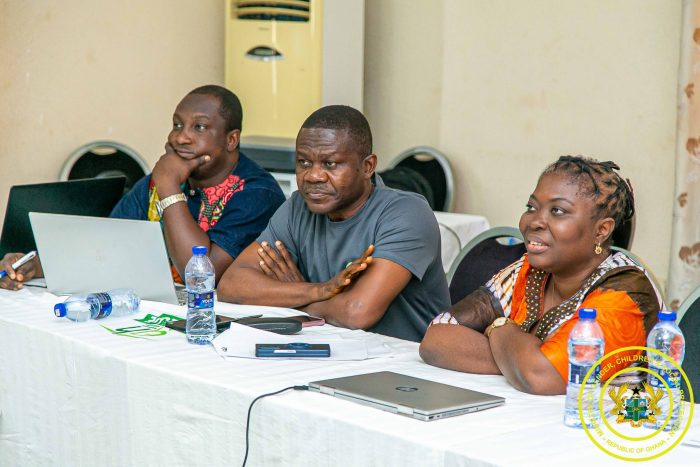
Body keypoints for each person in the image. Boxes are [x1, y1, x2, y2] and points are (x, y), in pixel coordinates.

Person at [0, 85, 285, 289]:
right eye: (177, 125)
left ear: (231, 140)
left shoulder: (256, 193)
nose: (181, 138)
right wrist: (36, 264)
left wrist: (169, 187)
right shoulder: (156, 181)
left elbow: (200, 278)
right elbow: (106, 247)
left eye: (199, 127)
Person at [420, 156, 663, 395]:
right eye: (531, 207)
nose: (534, 222)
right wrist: (520, 363)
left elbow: (542, 376)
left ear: (601, 230)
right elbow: (436, 339)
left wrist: (498, 327)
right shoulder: (529, 270)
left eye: (557, 211)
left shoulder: (626, 292)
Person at [217, 105, 450, 342]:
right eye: (304, 162)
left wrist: (293, 300)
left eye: (330, 164)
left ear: (368, 167)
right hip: (328, 348)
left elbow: (356, 312)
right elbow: (231, 285)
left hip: (403, 358)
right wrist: (318, 290)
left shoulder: (406, 213)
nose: (313, 176)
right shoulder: (298, 207)